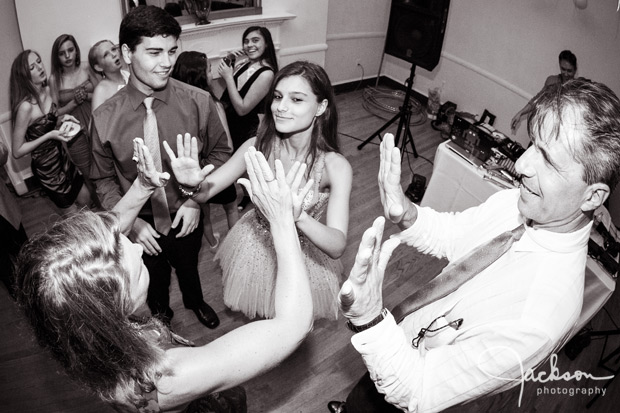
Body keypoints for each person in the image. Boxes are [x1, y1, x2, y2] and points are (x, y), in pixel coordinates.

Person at [327, 78, 620, 412]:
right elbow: (454, 234)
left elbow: (419, 390)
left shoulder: (539, 316)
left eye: (548, 160)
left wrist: (368, 319)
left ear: (593, 196)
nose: (522, 165)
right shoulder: (524, 201)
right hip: (397, 338)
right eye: (532, 144)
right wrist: (406, 213)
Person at [15, 139, 315, 412]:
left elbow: (106, 234)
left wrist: (143, 186)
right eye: (126, 254)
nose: (136, 246)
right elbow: (293, 326)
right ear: (116, 300)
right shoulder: (169, 378)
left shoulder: (84, 328)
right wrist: (282, 220)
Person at [163, 60, 353, 320]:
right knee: (265, 314)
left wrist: (298, 216)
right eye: (277, 97)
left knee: (291, 319)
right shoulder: (256, 146)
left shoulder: (335, 166)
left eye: (296, 99)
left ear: (320, 107)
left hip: (303, 256)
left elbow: (337, 245)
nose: (281, 107)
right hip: (257, 248)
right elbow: (205, 192)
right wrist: (189, 185)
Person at [90, 5, 231, 329]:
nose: (166, 62)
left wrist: (196, 200)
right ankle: (160, 314)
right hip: (140, 221)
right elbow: (102, 179)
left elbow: (222, 153)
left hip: (187, 211)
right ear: (127, 53)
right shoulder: (104, 118)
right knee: (154, 276)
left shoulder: (197, 101)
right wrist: (130, 224)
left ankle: (196, 302)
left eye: (171, 51)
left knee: (189, 266)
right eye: (154, 52)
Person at [170, 50, 239, 249]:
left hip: (195, 172)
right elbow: (227, 144)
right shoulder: (211, 103)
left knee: (204, 211)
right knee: (231, 207)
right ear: (200, 74)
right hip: (216, 170)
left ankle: (212, 243)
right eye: (209, 69)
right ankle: (235, 245)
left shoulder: (177, 105)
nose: (212, 74)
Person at [10, 49, 91, 211]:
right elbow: (17, 151)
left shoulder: (47, 91)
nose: (40, 67)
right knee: (73, 215)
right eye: (32, 67)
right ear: (24, 76)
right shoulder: (25, 107)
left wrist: (63, 119)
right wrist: (49, 135)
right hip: (47, 169)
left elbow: (49, 121)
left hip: (62, 157)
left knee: (85, 198)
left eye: (39, 62)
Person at [218, 25, 278, 210]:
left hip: (245, 126)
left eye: (255, 40)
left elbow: (243, 108)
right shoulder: (246, 64)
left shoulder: (267, 74)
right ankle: (246, 194)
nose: (249, 45)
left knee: (245, 165)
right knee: (240, 166)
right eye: (246, 41)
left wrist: (228, 77)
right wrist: (231, 61)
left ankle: (253, 197)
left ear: (266, 43)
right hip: (232, 123)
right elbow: (231, 93)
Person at [49, 34, 99, 204]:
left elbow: (104, 96)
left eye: (70, 50)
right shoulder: (54, 79)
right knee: (88, 173)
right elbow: (54, 116)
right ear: (57, 57)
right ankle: (101, 214)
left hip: (96, 123)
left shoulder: (87, 68)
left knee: (105, 167)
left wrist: (86, 96)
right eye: (62, 53)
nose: (68, 56)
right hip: (73, 132)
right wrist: (73, 102)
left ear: (76, 51)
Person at [510, 50, 577, 134]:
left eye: (569, 71)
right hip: (543, 129)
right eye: (563, 69)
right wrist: (520, 113)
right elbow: (537, 100)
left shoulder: (578, 89)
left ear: (575, 70)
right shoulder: (552, 80)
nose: (566, 74)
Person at [0, 140, 28, 299]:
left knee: (23, 250)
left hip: (3, 207)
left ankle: (36, 288)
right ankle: (21, 299)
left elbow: (2, 155)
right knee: (4, 268)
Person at [89, 40, 130, 111]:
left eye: (113, 49)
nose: (114, 55)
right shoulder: (101, 91)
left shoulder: (128, 75)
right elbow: (97, 121)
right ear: (99, 67)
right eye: (106, 55)